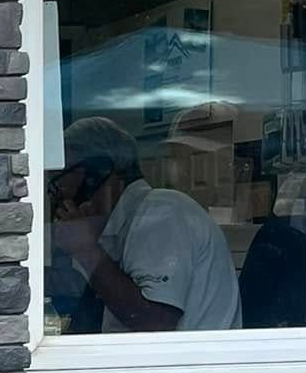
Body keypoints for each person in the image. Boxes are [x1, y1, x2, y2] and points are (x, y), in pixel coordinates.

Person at [49, 116, 241, 334]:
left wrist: (86, 250)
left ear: (95, 173)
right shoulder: (122, 224)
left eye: (57, 182)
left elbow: (154, 323)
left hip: (187, 365)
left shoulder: (162, 214)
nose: (57, 195)